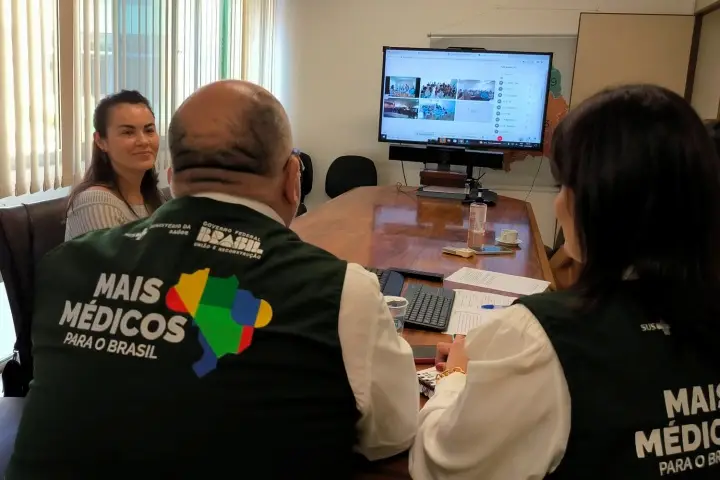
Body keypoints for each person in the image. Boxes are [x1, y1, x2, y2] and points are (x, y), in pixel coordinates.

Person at [7, 80, 418, 479]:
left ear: (172, 176)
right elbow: (391, 437)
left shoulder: (62, 264)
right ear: (294, 178)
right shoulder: (344, 291)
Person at [409, 84, 720, 479]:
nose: (558, 203)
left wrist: (455, 375)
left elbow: (440, 466)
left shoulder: (540, 336)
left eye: (565, 186)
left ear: (603, 200)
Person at [65, 90, 165, 240]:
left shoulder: (155, 196)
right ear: (101, 141)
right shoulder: (96, 201)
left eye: (149, 130)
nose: (144, 141)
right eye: (128, 132)